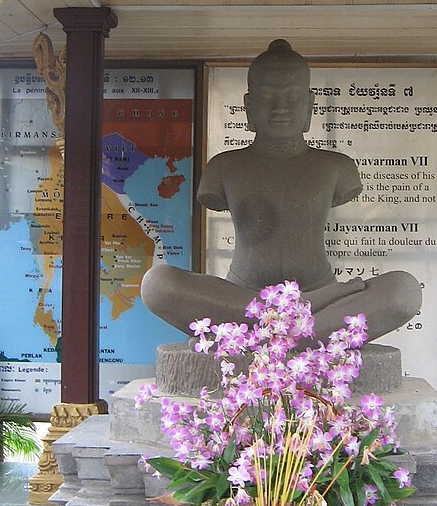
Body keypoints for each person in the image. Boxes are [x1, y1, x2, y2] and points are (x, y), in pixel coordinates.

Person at [141, 39, 421, 342]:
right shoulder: (224, 167)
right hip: (241, 300)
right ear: (248, 107)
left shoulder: (337, 167)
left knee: (404, 291)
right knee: (157, 284)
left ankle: (273, 333)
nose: (280, 108)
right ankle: (300, 329)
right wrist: (311, 304)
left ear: (310, 106)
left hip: (319, 291)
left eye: (292, 98)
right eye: (268, 98)